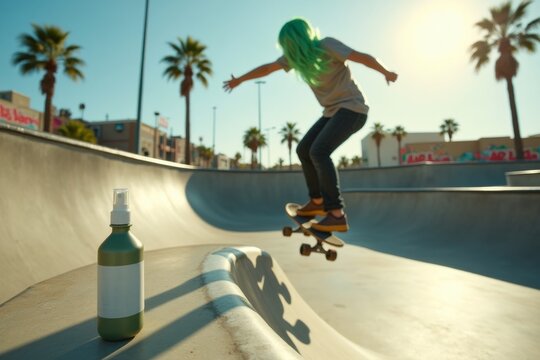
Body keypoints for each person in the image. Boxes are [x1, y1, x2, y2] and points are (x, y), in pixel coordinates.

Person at [223, 18, 397, 232]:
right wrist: (240, 79)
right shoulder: (294, 59)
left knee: (319, 151)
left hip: (353, 109)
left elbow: (360, 57)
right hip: (332, 112)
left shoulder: (327, 45)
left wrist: (385, 72)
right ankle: (317, 202)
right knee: (303, 149)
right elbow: (268, 68)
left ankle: (336, 213)